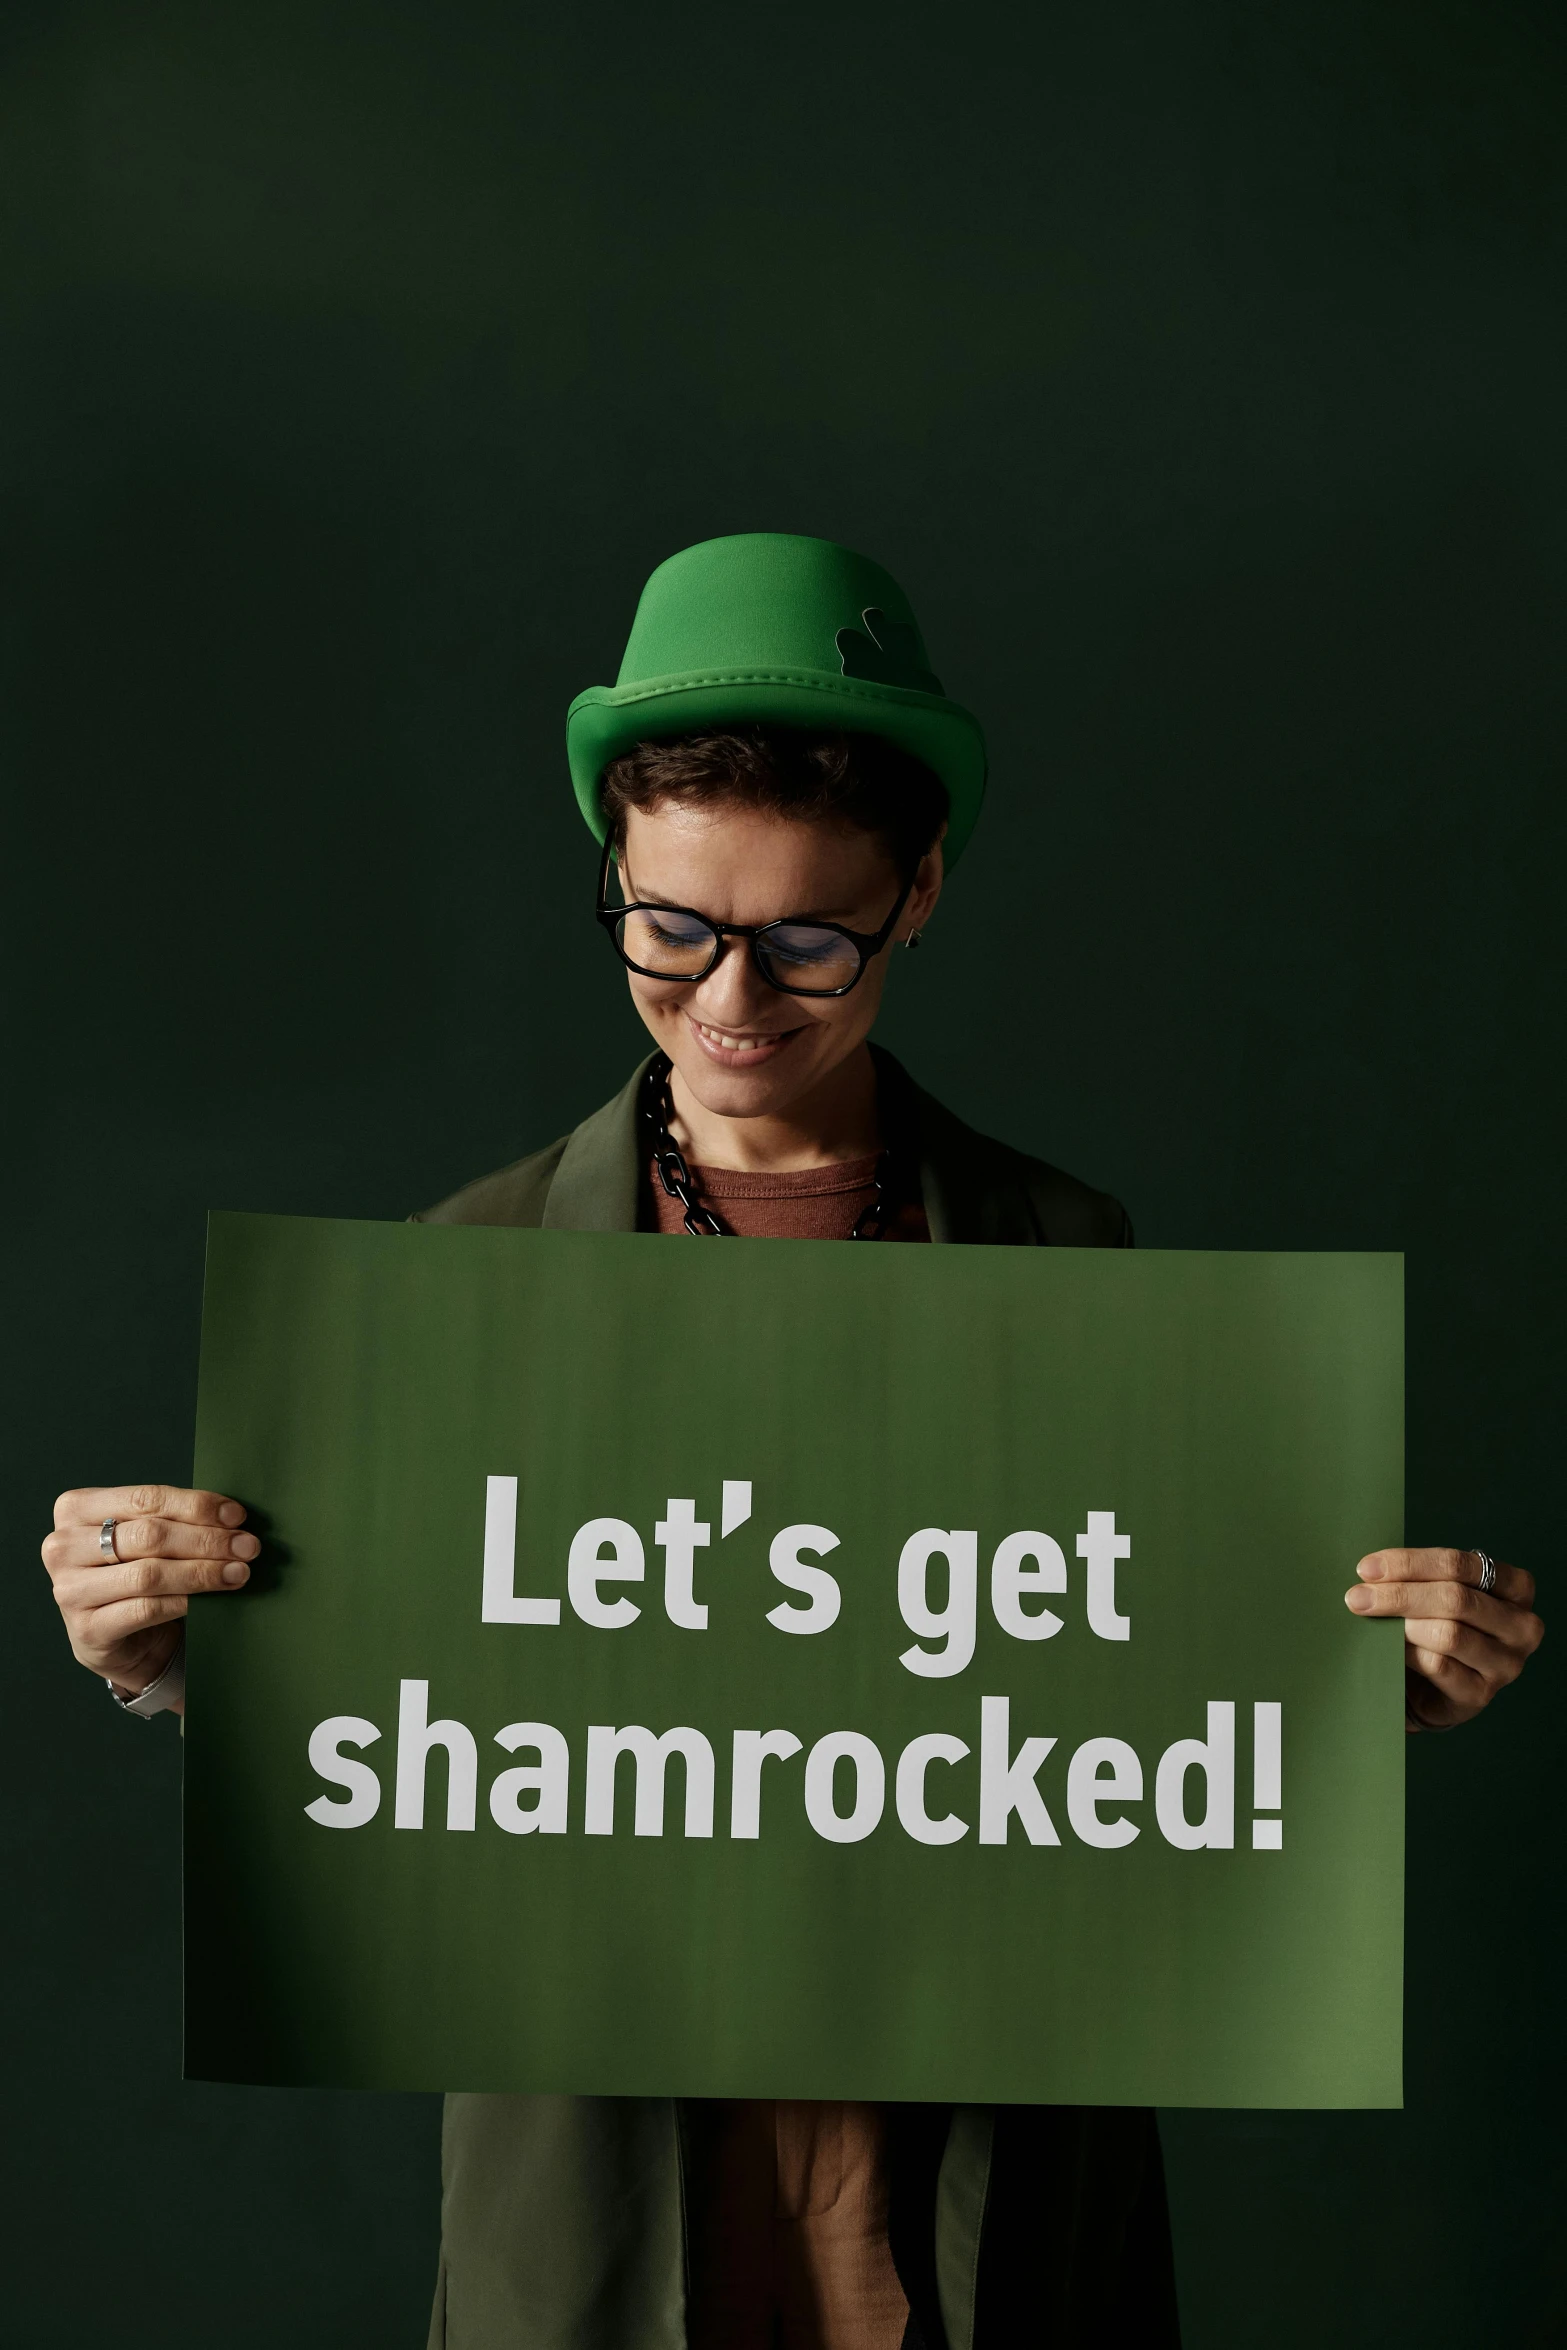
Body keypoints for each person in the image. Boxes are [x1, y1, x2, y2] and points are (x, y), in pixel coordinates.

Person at [43, 534, 1545, 2349]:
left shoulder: (1070, 1255)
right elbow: (435, 1719)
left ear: (918, 894)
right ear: (612, 874)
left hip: (973, 2221)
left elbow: (1121, 1706)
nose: (732, 1004)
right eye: (670, 929)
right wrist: (178, 1656)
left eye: (806, 938)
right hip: (601, 2225)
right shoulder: (467, 1270)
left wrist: (1360, 1687)